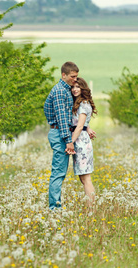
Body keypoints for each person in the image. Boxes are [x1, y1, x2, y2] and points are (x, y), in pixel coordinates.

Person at [43, 62, 79, 210]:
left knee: (60, 172)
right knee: (58, 172)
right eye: (72, 76)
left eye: (76, 76)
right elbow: (62, 119)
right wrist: (68, 141)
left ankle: (55, 206)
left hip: (61, 133)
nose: (75, 80)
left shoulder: (66, 90)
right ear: (63, 75)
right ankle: (54, 208)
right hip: (60, 134)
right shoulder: (59, 91)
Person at [70, 77, 97, 206]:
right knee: (83, 177)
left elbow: (80, 126)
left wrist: (71, 142)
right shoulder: (80, 103)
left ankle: (91, 207)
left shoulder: (84, 104)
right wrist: (88, 128)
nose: (75, 90)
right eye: (73, 87)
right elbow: (83, 124)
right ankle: (90, 205)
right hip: (80, 140)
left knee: (86, 178)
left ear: (83, 88)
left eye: (77, 87)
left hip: (81, 142)